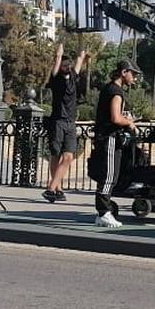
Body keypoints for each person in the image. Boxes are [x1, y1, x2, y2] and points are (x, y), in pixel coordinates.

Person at [91, 60, 141, 228]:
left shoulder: (109, 88)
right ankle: (104, 212)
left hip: (104, 137)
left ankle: (102, 213)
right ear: (123, 72)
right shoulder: (116, 91)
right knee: (109, 176)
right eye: (133, 74)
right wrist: (130, 123)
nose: (134, 78)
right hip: (109, 138)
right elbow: (115, 117)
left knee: (108, 176)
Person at [43, 43, 89, 203]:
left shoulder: (74, 78)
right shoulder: (56, 79)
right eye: (64, 64)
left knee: (68, 156)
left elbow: (80, 58)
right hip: (57, 122)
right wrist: (59, 51)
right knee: (55, 155)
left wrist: (81, 44)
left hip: (70, 122)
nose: (67, 65)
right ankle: (57, 188)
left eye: (68, 63)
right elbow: (56, 62)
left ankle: (51, 188)